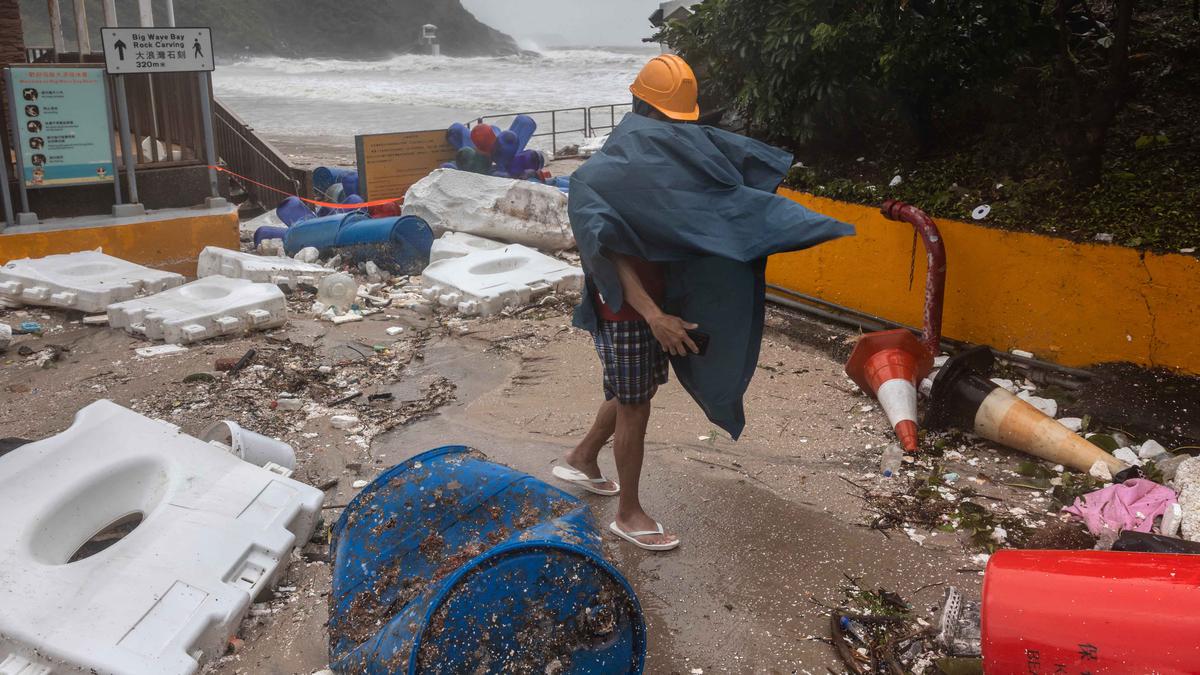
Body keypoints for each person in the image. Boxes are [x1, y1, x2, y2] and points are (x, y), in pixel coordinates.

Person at [557, 55, 855, 553]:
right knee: (635, 406)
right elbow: (606, 256)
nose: (680, 131)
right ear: (646, 110)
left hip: (661, 303)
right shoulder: (601, 177)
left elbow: (723, 200)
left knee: (631, 389)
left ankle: (583, 457)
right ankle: (628, 514)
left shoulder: (669, 158)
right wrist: (655, 317)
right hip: (628, 310)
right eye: (674, 121)